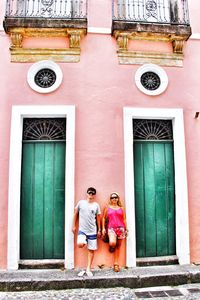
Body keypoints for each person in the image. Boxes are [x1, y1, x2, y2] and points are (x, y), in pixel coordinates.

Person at [72, 187, 101, 277]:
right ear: (87, 193)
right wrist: (73, 225)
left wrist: (99, 229)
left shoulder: (96, 205)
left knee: (91, 250)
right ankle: (84, 241)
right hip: (82, 230)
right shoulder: (81, 203)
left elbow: (98, 218)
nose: (91, 194)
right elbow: (75, 214)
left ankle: (88, 268)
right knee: (80, 244)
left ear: (94, 195)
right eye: (89, 192)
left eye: (93, 193)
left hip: (92, 230)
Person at [102, 192, 127, 272]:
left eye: (116, 197)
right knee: (113, 243)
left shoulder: (121, 208)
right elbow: (103, 218)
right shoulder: (107, 208)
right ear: (110, 199)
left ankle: (116, 264)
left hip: (121, 229)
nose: (114, 199)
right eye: (112, 197)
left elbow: (124, 219)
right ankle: (111, 246)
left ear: (118, 198)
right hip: (111, 228)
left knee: (118, 247)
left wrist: (127, 228)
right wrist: (103, 228)